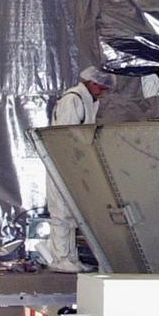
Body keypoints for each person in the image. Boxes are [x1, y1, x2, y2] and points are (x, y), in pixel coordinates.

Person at [36, 66, 115, 273]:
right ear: (93, 83)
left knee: (71, 213)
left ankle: (69, 257)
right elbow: (63, 136)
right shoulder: (73, 99)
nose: (102, 92)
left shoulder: (88, 101)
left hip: (73, 165)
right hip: (61, 163)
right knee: (61, 212)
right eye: (101, 87)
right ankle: (60, 257)